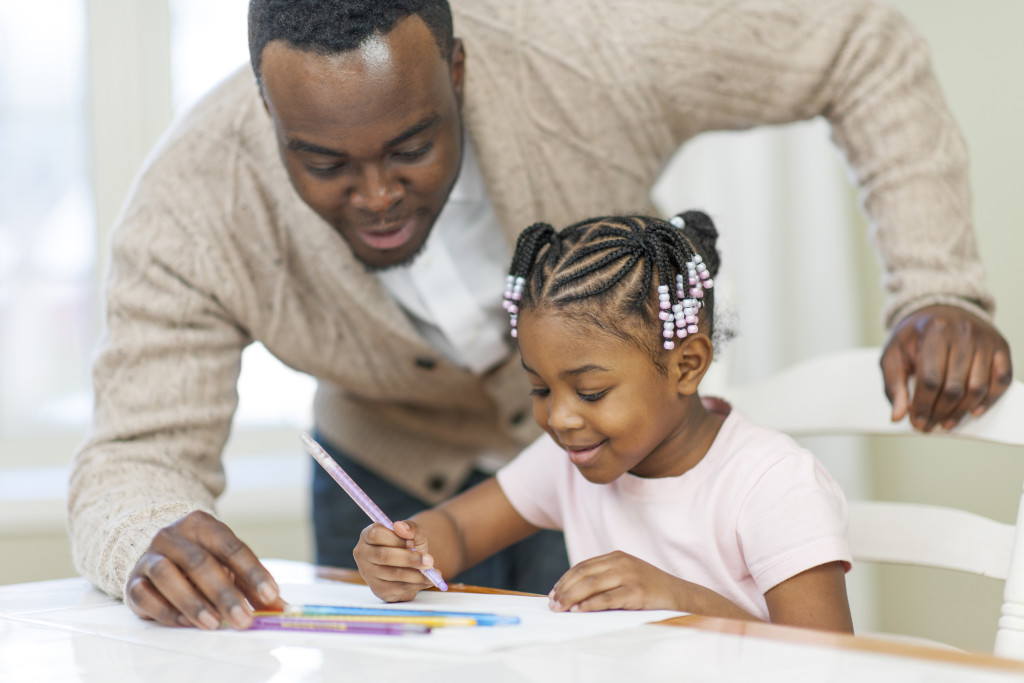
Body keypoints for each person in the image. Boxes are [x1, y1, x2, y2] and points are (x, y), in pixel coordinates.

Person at [69, 0, 1009, 632]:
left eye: (412, 144)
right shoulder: (191, 205)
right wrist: (153, 531)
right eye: (324, 164)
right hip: (390, 469)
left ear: (459, 70)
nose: (379, 194)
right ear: (266, 114)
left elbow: (860, 40)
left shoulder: (592, 53)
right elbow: (130, 455)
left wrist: (935, 285)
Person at [355, 212, 854, 631]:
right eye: (540, 389)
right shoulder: (571, 460)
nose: (560, 417)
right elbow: (457, 534)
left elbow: (828, 664)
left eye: (591, 392)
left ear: (687, 365)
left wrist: (676, 600)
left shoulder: (772, 484)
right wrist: (405, 555)